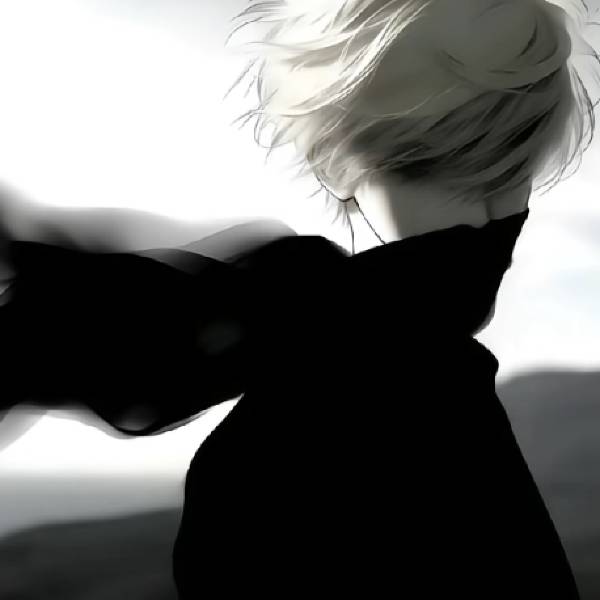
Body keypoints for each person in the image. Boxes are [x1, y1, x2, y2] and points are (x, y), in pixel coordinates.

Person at [1, 0, 599, 596]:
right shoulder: (394, 392)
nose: (490, 212)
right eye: (433, 160)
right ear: (336, 165)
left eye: (512, 158)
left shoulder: (328, 362)